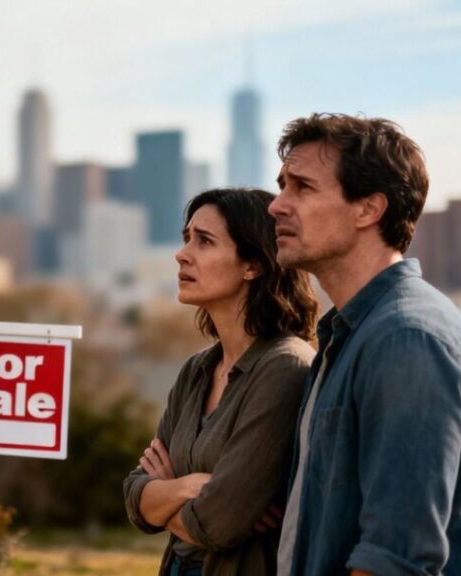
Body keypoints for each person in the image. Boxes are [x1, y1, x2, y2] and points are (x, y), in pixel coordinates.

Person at [269, 113, 461, 576]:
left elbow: (396, 558)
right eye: (281, 186)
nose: (277, 205)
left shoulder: (406, 340)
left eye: (302, 187)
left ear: (368, 209)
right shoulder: (349, 336)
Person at [124, 188, 319, 575]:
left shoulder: (285, 367)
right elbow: (133, 494)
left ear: (254, 264)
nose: (182, 254)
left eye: (205, 241)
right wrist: (190, 487)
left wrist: (165, 497)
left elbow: (219, 523)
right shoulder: (196, 370)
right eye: (186, 239)